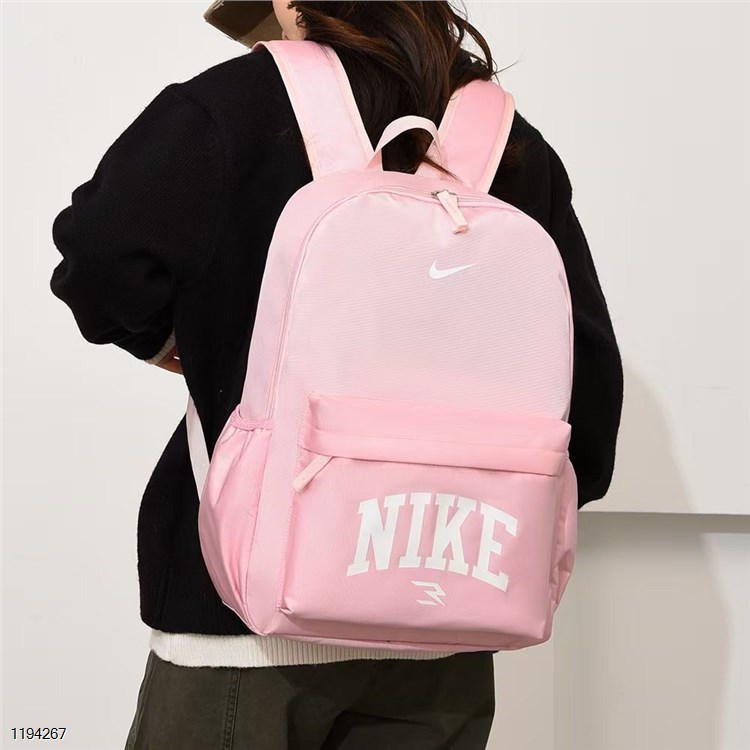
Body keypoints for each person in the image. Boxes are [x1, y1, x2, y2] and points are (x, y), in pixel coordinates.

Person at [49, 1, 623, 747]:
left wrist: (186, 350)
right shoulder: (510, 144)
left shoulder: (230, 111)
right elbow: (588, 398)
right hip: (445, 625)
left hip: (240, 630)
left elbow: (97, 264)